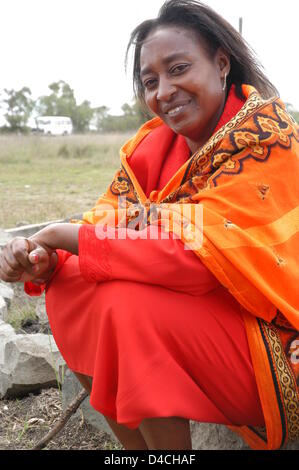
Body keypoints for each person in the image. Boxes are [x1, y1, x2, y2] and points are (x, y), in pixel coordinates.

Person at [0, 0, 298, 451]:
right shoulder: (155, 148)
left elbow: (193, 255)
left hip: (274, 339)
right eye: (150, 81)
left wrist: (68, 236)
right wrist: (45, 257)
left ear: (221, 64)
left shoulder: (264, 140)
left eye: (179, 68)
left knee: (127, 303)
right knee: (70, 284)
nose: (165, 91)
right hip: (209, 321)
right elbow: (104, 222)